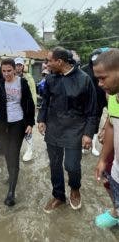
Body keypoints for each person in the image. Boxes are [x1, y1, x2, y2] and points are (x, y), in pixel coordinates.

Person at [37, 47, 97, 213]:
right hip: (54, 128)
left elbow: (92, 111)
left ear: (59, 62)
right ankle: (58, 196)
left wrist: (88, 134)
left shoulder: (84, 80)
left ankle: (75, 189)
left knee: (71, 165)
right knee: (55, 165)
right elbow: (45, 102)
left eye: (49, 61)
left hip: (75, 130)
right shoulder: (50, 79)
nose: (46, 64)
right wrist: (41, 119)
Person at [0, 58, 35, 206]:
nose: (7, 74)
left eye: (9, 70)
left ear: (15, 69)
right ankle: (11, 175)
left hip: (18, 123)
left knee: (13, 153)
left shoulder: (22, 83)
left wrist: (30, 123)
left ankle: (11, 192)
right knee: (7, 152)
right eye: (4, 71)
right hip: (2, 124)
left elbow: (29, 103)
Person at [93, 49, 119, 228]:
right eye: (98, 79)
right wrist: (103, 159)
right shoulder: (112, 97)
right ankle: (117, 212)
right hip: (117, 167)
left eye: (103, 78)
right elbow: (111, 125)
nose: (100, 83)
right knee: (114, 190)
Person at [82, 48, 109, 156]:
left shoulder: (105, 70)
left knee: (95, 125)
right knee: (84, 124)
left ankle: (93, 146)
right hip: (85, 103)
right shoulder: (84, 70)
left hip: (99, 102)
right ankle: (82, 145)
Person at [14, 57, 37, 162]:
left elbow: (33, 94)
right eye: (16, 65)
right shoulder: (11, 77)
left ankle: (29, 150)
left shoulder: (28, 77)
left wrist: (32, 108)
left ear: (23, 66)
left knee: (27, 128)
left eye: (20, 65)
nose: (18, 67)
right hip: (15, 109)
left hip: (26, 108)